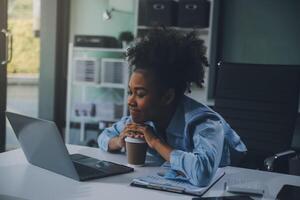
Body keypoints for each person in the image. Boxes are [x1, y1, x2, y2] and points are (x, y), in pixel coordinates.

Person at [98, 28, 247, 186]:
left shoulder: (204, 123)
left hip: (230, 186)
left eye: (140, 94)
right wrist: (118, 141)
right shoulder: (143, 118)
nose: (130, 101)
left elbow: (202, 173)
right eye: (130, 92)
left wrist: (155, 141)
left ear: (167, 97)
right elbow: (104, 137)